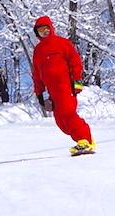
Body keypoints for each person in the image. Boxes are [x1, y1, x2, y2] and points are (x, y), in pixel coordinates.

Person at [29, 15, 95, 155]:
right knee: (60, 121)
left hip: (66, 86)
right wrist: (39, 93)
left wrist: (77, 82)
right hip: (52, 92)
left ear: (51, 28)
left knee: (68, 113)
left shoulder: (62, 43)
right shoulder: (38, 51)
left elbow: (75, 62)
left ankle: (84, 139)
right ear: (37, 33)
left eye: (46, 29)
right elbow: (36, 75)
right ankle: (84, 140)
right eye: (40, 30)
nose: (44, 32)